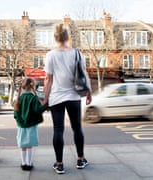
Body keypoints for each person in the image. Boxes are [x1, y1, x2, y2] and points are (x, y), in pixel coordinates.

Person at [43, 24, 92, 174]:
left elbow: (48, 79)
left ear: (55, 38)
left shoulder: (50, 55)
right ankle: (80, 159)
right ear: (68, 37)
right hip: (74, 96)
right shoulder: (77, 53)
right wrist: (89, 91)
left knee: (58, 130)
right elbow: (84, 74)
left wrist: (45, 98)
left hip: (56, 96)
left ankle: (59, 164)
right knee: (77, 128)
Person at [14, 77, 48, 171]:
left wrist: (20, 122)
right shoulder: (33, 98)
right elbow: (38, 110)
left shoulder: (19, 98)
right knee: (29, 145)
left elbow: (16, 114)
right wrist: (46, 105)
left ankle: (23, 163)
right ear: (33, 86)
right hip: (31, 125)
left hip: (21, 126)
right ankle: (29, 164)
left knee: (23, 145)